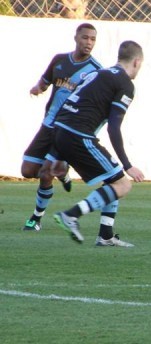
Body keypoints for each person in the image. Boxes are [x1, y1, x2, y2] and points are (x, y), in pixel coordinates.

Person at [51, 40, 145, 247]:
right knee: (122, 183)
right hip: (78, 135)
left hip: (61, 130)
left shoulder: (98, 73)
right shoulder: (125, 85)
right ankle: (71, 215)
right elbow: (113, 127)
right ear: (137, 62)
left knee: (113, 180)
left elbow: (67, 105)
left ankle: (105, 236)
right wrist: (128, 165)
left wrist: (58, 153)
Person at [21, 23, 102, 231]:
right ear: (76, 38)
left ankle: (36, 219)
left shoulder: (95, 71)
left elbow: (95, 107)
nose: (89, 43)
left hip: (66, 129)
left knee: (46, 172)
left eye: (93, 39)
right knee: (28, 170)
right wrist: (37, 88)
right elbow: (45, 81)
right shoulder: (59, 60)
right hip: (48, 124)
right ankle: (63, 172)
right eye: (85, 38)